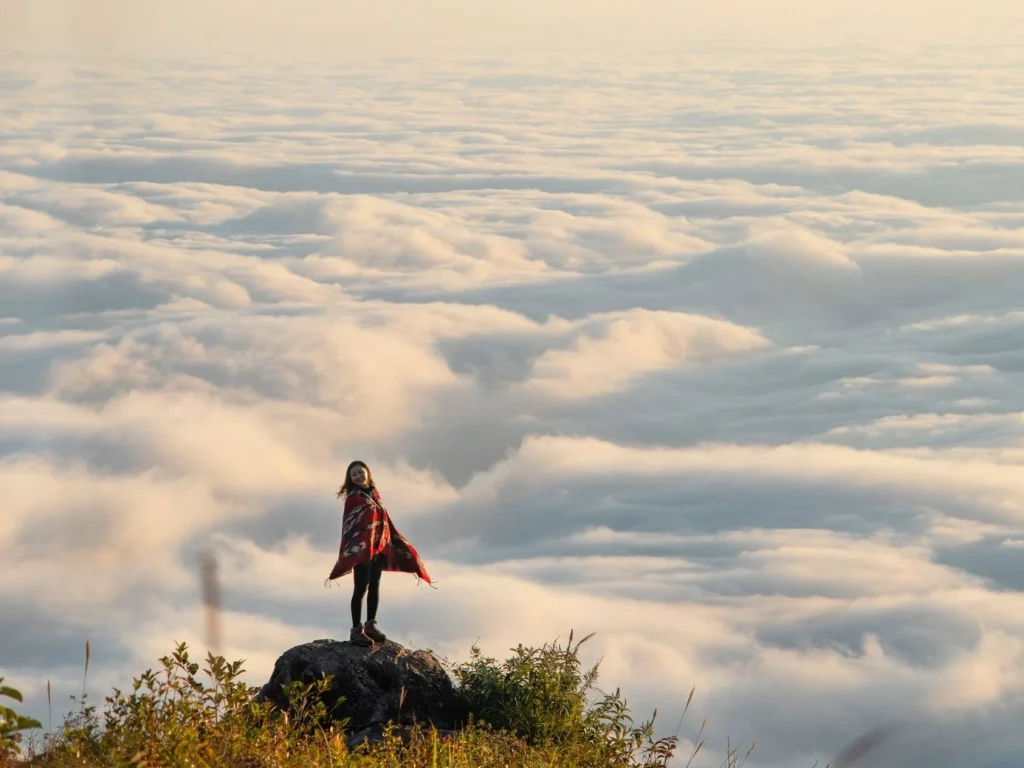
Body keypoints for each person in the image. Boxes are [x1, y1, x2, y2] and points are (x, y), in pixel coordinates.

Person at [327, 460, 432, 646]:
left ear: (367, 472)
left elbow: (383, 520)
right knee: (360, 589)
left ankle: (370, 625)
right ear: (350, 479)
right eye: (354, 475)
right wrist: (355, 548)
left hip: (379, 547)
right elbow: (350, 526)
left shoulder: (374, 494)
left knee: (374, 585)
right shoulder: (353, 498)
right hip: (362, 550)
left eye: (361, 472)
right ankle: (356, 630)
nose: (359, 476)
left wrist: (391, 541)